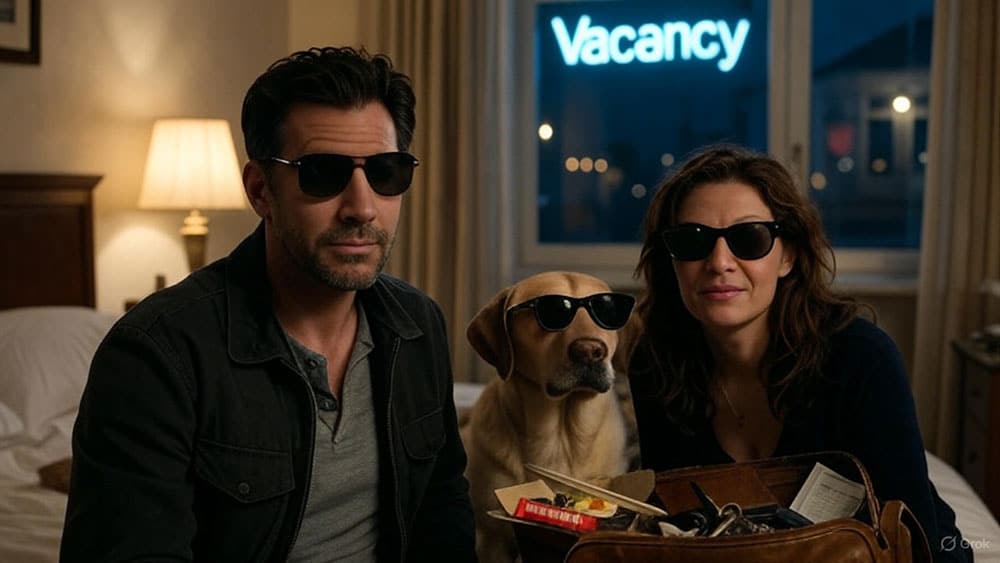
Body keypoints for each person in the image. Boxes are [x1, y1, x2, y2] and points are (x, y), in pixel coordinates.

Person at [60, 47, 476, 562]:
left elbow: (443, 513)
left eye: (386, 172)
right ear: (260, 190)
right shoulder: (156, 356)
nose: (362, 207)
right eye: (322, 174)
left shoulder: (417, 324)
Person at [628, 145, 971, 562]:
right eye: (692, 240)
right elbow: (675, 531)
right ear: (671, 260)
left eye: (749, 238)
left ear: (787, 256)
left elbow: (917, 539)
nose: (719, 263)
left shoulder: (861, 360)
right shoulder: (655, 364)